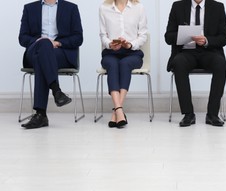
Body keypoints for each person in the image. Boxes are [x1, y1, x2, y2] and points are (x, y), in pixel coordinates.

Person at [18, 0, 83, 129]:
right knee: (43, 46)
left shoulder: (71, 8)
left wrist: (57, 43)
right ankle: (56, 91)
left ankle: (40, 114)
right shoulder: (29, 8)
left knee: (41, 58)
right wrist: (39, 41)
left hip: (60, 53)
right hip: (35, 50)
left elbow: (78, 38)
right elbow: (22, 37)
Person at [165, 0, 226, 127]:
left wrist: (206, 40)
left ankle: (212, 114)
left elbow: (224, 38)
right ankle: (188, 114)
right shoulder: (177, 6)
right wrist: (185, 36)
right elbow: (168, 37)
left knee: (221, 64)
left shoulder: (218, 7)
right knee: (178, 63)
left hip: (209, 51)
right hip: (186, 52)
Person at [99, 0, 147, 128]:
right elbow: (103, 35)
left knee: (125, 64)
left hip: (132, 53)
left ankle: (116, 111)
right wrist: (110, 44)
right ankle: (119, 110)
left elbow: (143, 35)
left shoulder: (139, 8)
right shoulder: (104, 8)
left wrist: (130, 44)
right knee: (112, 64)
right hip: (110, 53)